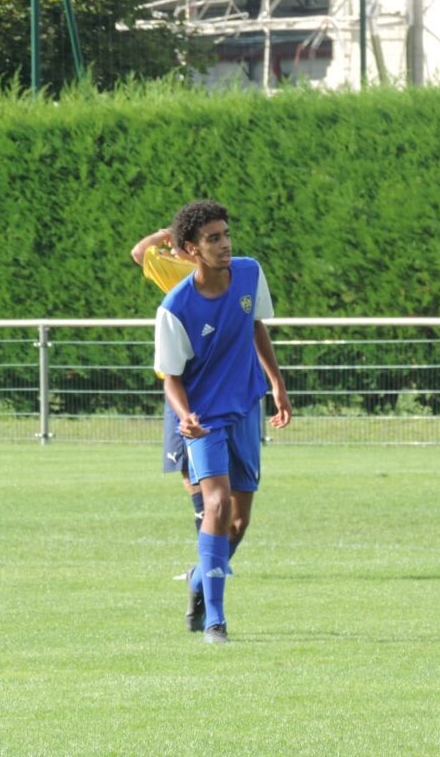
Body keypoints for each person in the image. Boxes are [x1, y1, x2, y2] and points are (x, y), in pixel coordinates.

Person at [154, 200, 292, 644]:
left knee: (237, 522)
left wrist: (276, 383)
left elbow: (255, 326)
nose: (225, 244)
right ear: (191, 250)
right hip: (204, 419)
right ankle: (215, 620)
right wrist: (186, 417)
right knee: (215, 506)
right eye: (213, 239)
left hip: (246, 407)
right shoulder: (175, 308)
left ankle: (200, 576)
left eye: (226, 234)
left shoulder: (250, 273)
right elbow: (171, 379)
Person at [131, 229, 204, 532]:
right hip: (213, 376)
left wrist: (163, 235)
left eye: (175, 248)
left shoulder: (179, 271)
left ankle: (207, 522)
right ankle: (212, 521)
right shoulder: (226, 273)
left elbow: (138, 252)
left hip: (183, 382)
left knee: (186, 460)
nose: (171, 253)